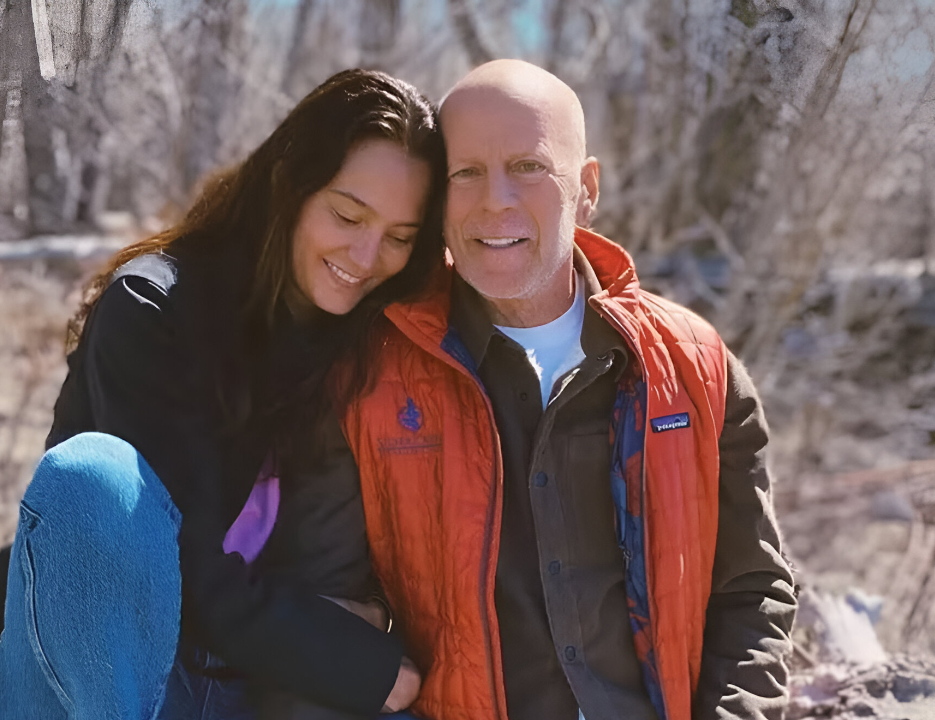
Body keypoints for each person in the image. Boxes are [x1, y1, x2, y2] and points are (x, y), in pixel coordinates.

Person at [0, 69, 441, 719]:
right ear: (289, 184)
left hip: (248, 681)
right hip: (106, 680)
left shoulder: (362, 344)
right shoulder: (154, 309)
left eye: (399, 237)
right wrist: (354, 657)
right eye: (347, 214)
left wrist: (368, 621)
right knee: (94, 478)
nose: (365, 255)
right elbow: (183, 573)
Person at [333, 60, 798, 720]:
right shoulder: (367, 376)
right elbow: (330, 612)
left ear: (586, 189)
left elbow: (751, 591)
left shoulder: (695, 368)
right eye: (466, 173)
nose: (495, 199)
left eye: (528, 167)